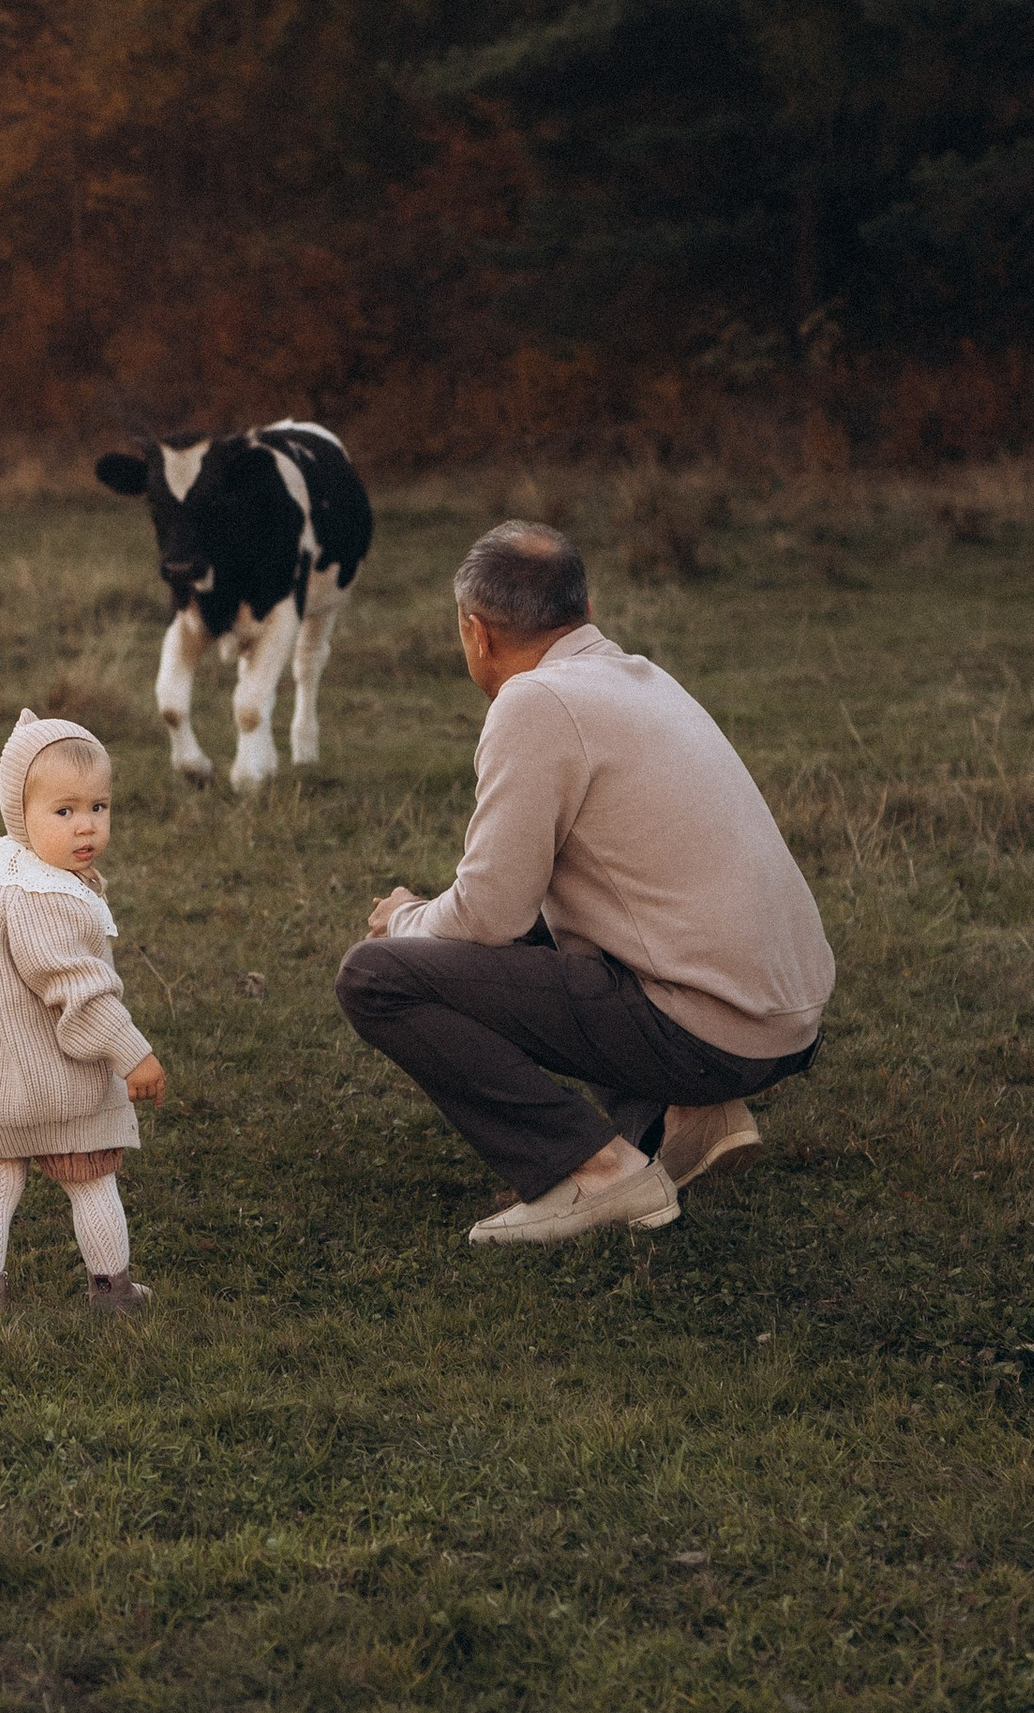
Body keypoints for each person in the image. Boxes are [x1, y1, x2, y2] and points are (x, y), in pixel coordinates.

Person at [334, 521, 831, 1248]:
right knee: (542, 916)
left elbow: (487, 919)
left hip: (715, 1034)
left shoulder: (534, 701)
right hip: (786, 1019)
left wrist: (404, 918)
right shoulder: (641, 676)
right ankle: (685, 1118)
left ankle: (595, 1174)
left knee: (376, 977)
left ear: (476, 633)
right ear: (586, 610)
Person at [0, 708, 165, 1312]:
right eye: (63, 811)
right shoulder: (46, 898)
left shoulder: (3, 871)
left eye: (98, 806)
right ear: (20, 814)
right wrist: (132, 1054)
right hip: (54, 1085)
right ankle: (112, 1290)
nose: (85, 825)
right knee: (90, 1181)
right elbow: (79, 989)